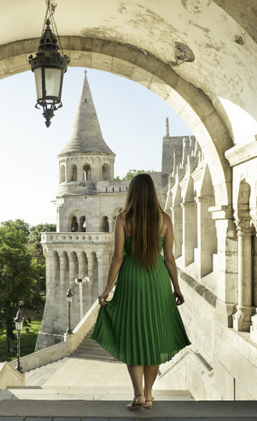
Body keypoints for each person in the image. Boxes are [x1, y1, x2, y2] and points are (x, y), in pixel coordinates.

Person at [91, 173, 191, 410]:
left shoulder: (123, 219)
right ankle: (148, 394)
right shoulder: (165, 219)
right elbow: (169, 258)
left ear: (132, 193)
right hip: (157, 281)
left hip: (131, 280)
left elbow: (117, 257)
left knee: (133, 335)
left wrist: (107, 289)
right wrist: (176, 287)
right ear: (152, 192)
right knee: (154, 338)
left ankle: (137, 394)